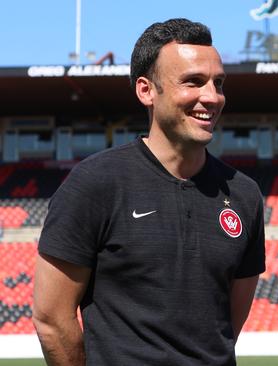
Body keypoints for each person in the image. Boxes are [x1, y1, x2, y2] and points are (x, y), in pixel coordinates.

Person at [32, 18, 265, 365]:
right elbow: (51, 317)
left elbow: (228, 325)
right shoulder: (95, 183)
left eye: (218, 83)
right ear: (146, 91)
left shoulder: (245, 195)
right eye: (193, 82)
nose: (211, 97)